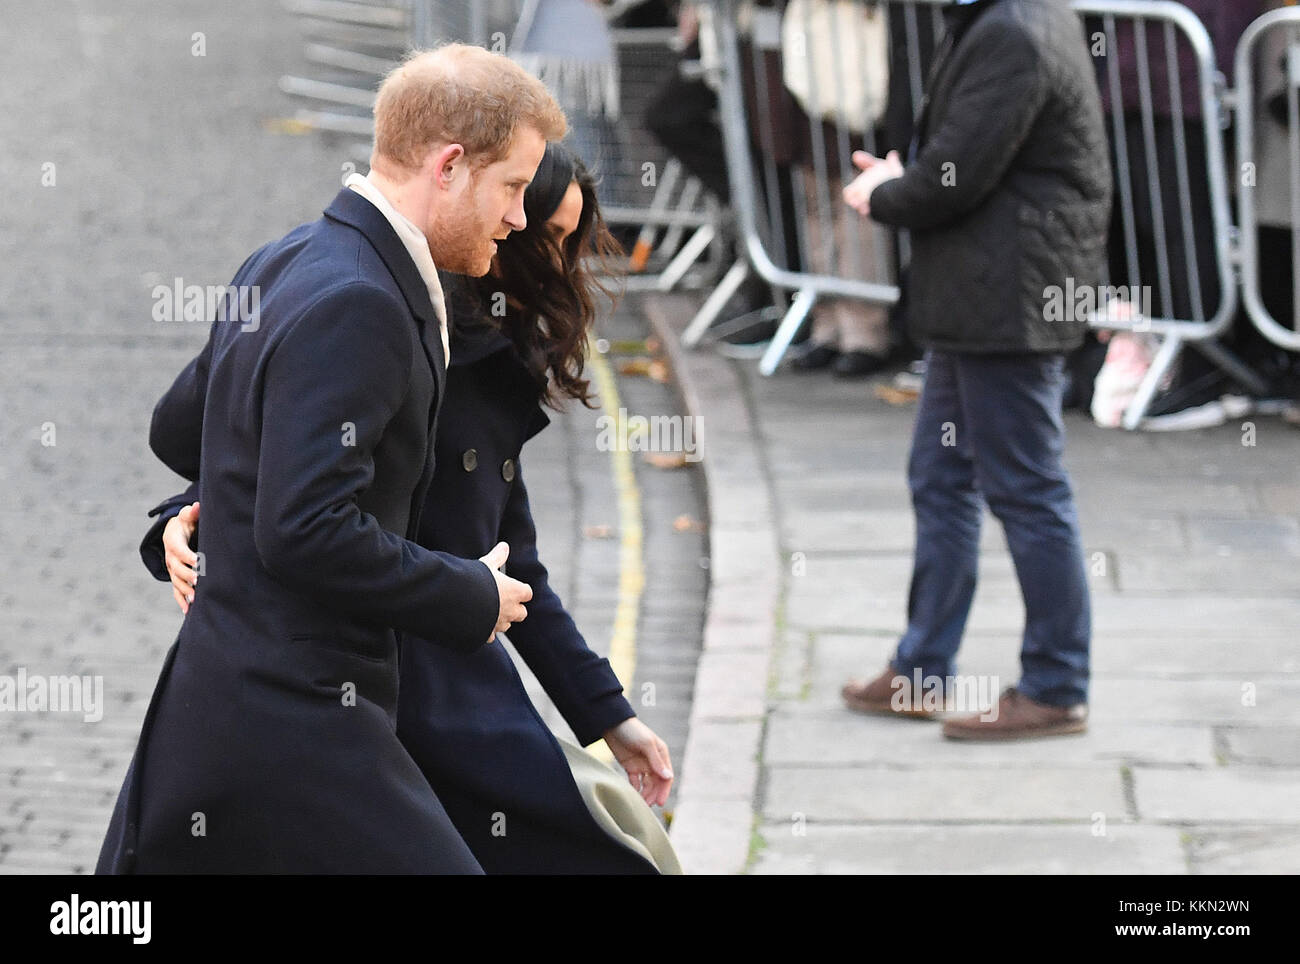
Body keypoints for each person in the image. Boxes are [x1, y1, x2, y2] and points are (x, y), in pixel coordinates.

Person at [141, 144, 683, 874]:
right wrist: (186, 514)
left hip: (439, 698)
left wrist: (607, 712)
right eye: (542, 228)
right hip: (379, 705)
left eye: (567, 236)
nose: (561, 260)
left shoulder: (491, 358)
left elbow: (511, 556)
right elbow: (241, 452)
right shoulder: (376, 317)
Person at [97, 45, 565, 873]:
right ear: (450, 165)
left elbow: (186, 431)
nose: (520, 218)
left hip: (249, 704)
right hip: (290, 719)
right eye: (514, 187)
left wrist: (191, 516)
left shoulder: (287, 258)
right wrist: (467, 591)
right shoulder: (362, 302)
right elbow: (305, 528)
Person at [839, 0, 1111, 739]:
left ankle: (1056, 685)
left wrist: (885, 194)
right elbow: (961, 158)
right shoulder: (1008, 18)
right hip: (985, 292)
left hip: (1009, 296)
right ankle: (923, 669)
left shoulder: (1014, 30)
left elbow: (956, 179)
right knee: (941, 476)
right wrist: (907, 176)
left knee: (1026, 487)